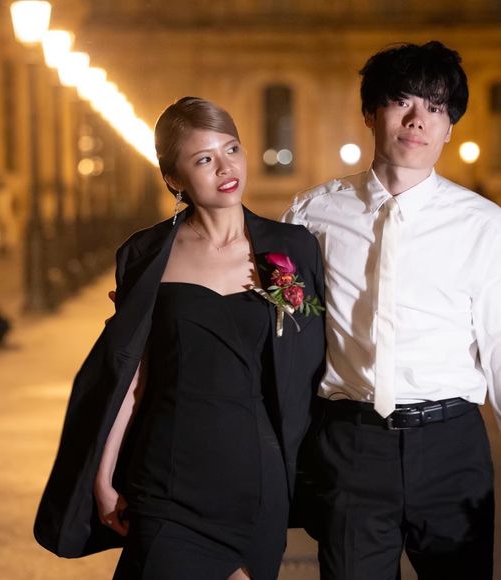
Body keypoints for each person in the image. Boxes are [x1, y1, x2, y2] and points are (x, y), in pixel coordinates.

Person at [33, 96, 326, 579]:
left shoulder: (293, 249)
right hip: (167, 473)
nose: (225, 168)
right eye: (204, 159)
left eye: (231, 149)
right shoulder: (144, 255)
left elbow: (311, 368)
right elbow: (132, 374)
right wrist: (104, 477)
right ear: (174, 178)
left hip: (257, 477)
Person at [283, 40, 501, 580]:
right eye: (402, 101)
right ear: (370, 112)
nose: (417, 119)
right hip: (351, 443)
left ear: (449, 128)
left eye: (436, 107)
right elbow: (284, 327)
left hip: (451, 445)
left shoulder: (484, 224)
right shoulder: (313, 214)